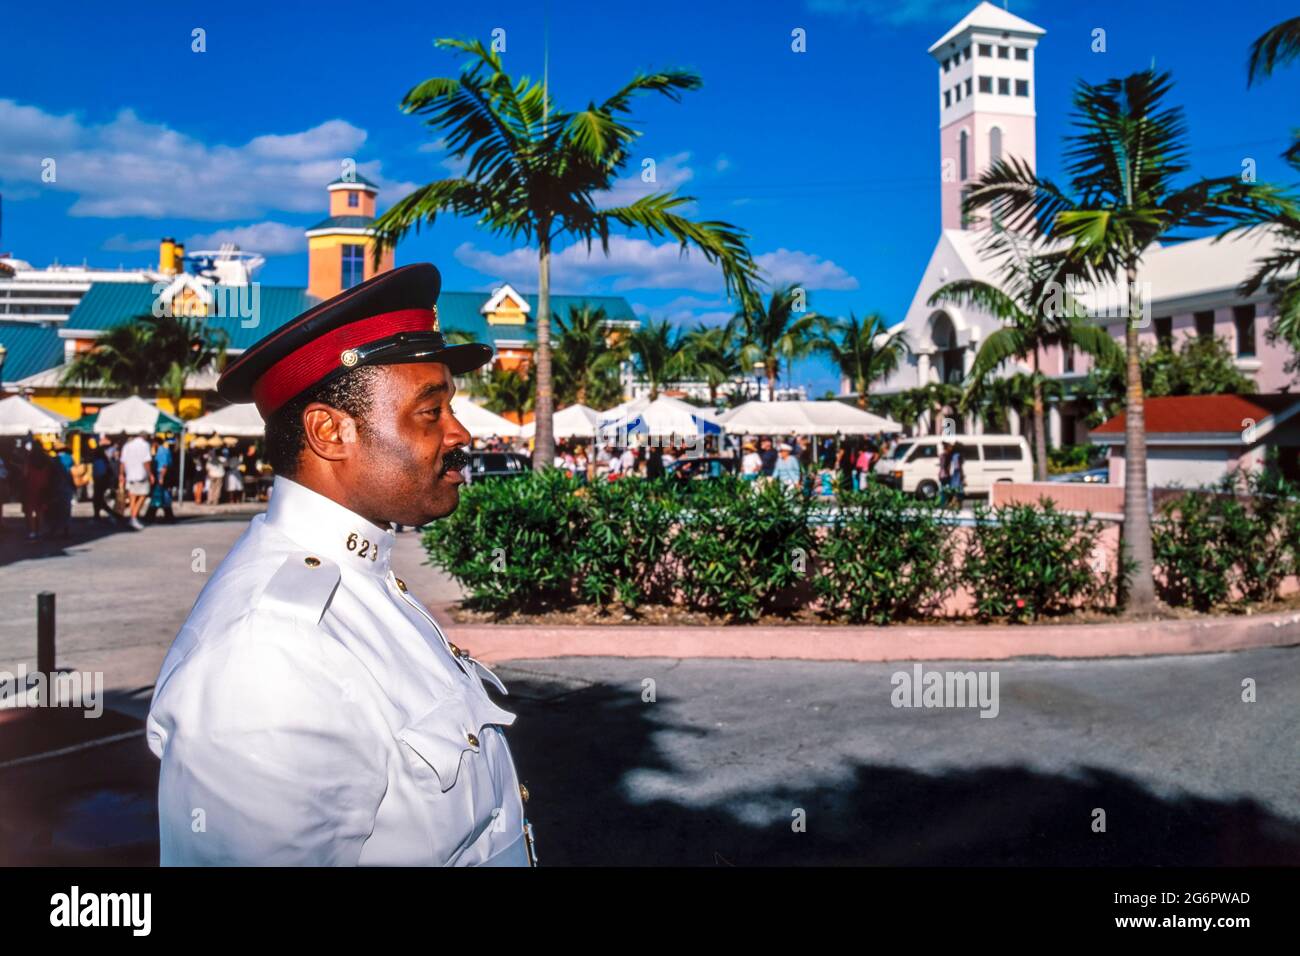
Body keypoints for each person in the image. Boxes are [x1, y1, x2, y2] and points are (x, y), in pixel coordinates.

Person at [146, 263, 536, 867]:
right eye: (430, 412)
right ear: (330, 431)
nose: (459, 433)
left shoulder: (362, 581)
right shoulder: (270, 649)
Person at [119, 431, 154, 530]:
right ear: (145, 437)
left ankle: (133, 517)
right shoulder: (145, 445)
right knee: (143, 495)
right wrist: (150, 474)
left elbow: (123, 461)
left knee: (132, 497)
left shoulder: (127, 445)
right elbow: (146, 461)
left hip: (130, 474)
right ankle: (133, 518)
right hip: (141, 474)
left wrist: (121, 474)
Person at [144, 437, 176, 523]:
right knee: (163, 495)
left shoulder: (162, 451)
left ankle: (152, 514)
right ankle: (168, 514)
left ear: (155, 443)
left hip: (161, 475)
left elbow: (164, 466)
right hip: (163, 475)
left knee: (159, 494)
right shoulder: (163, 450)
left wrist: (161, 477)